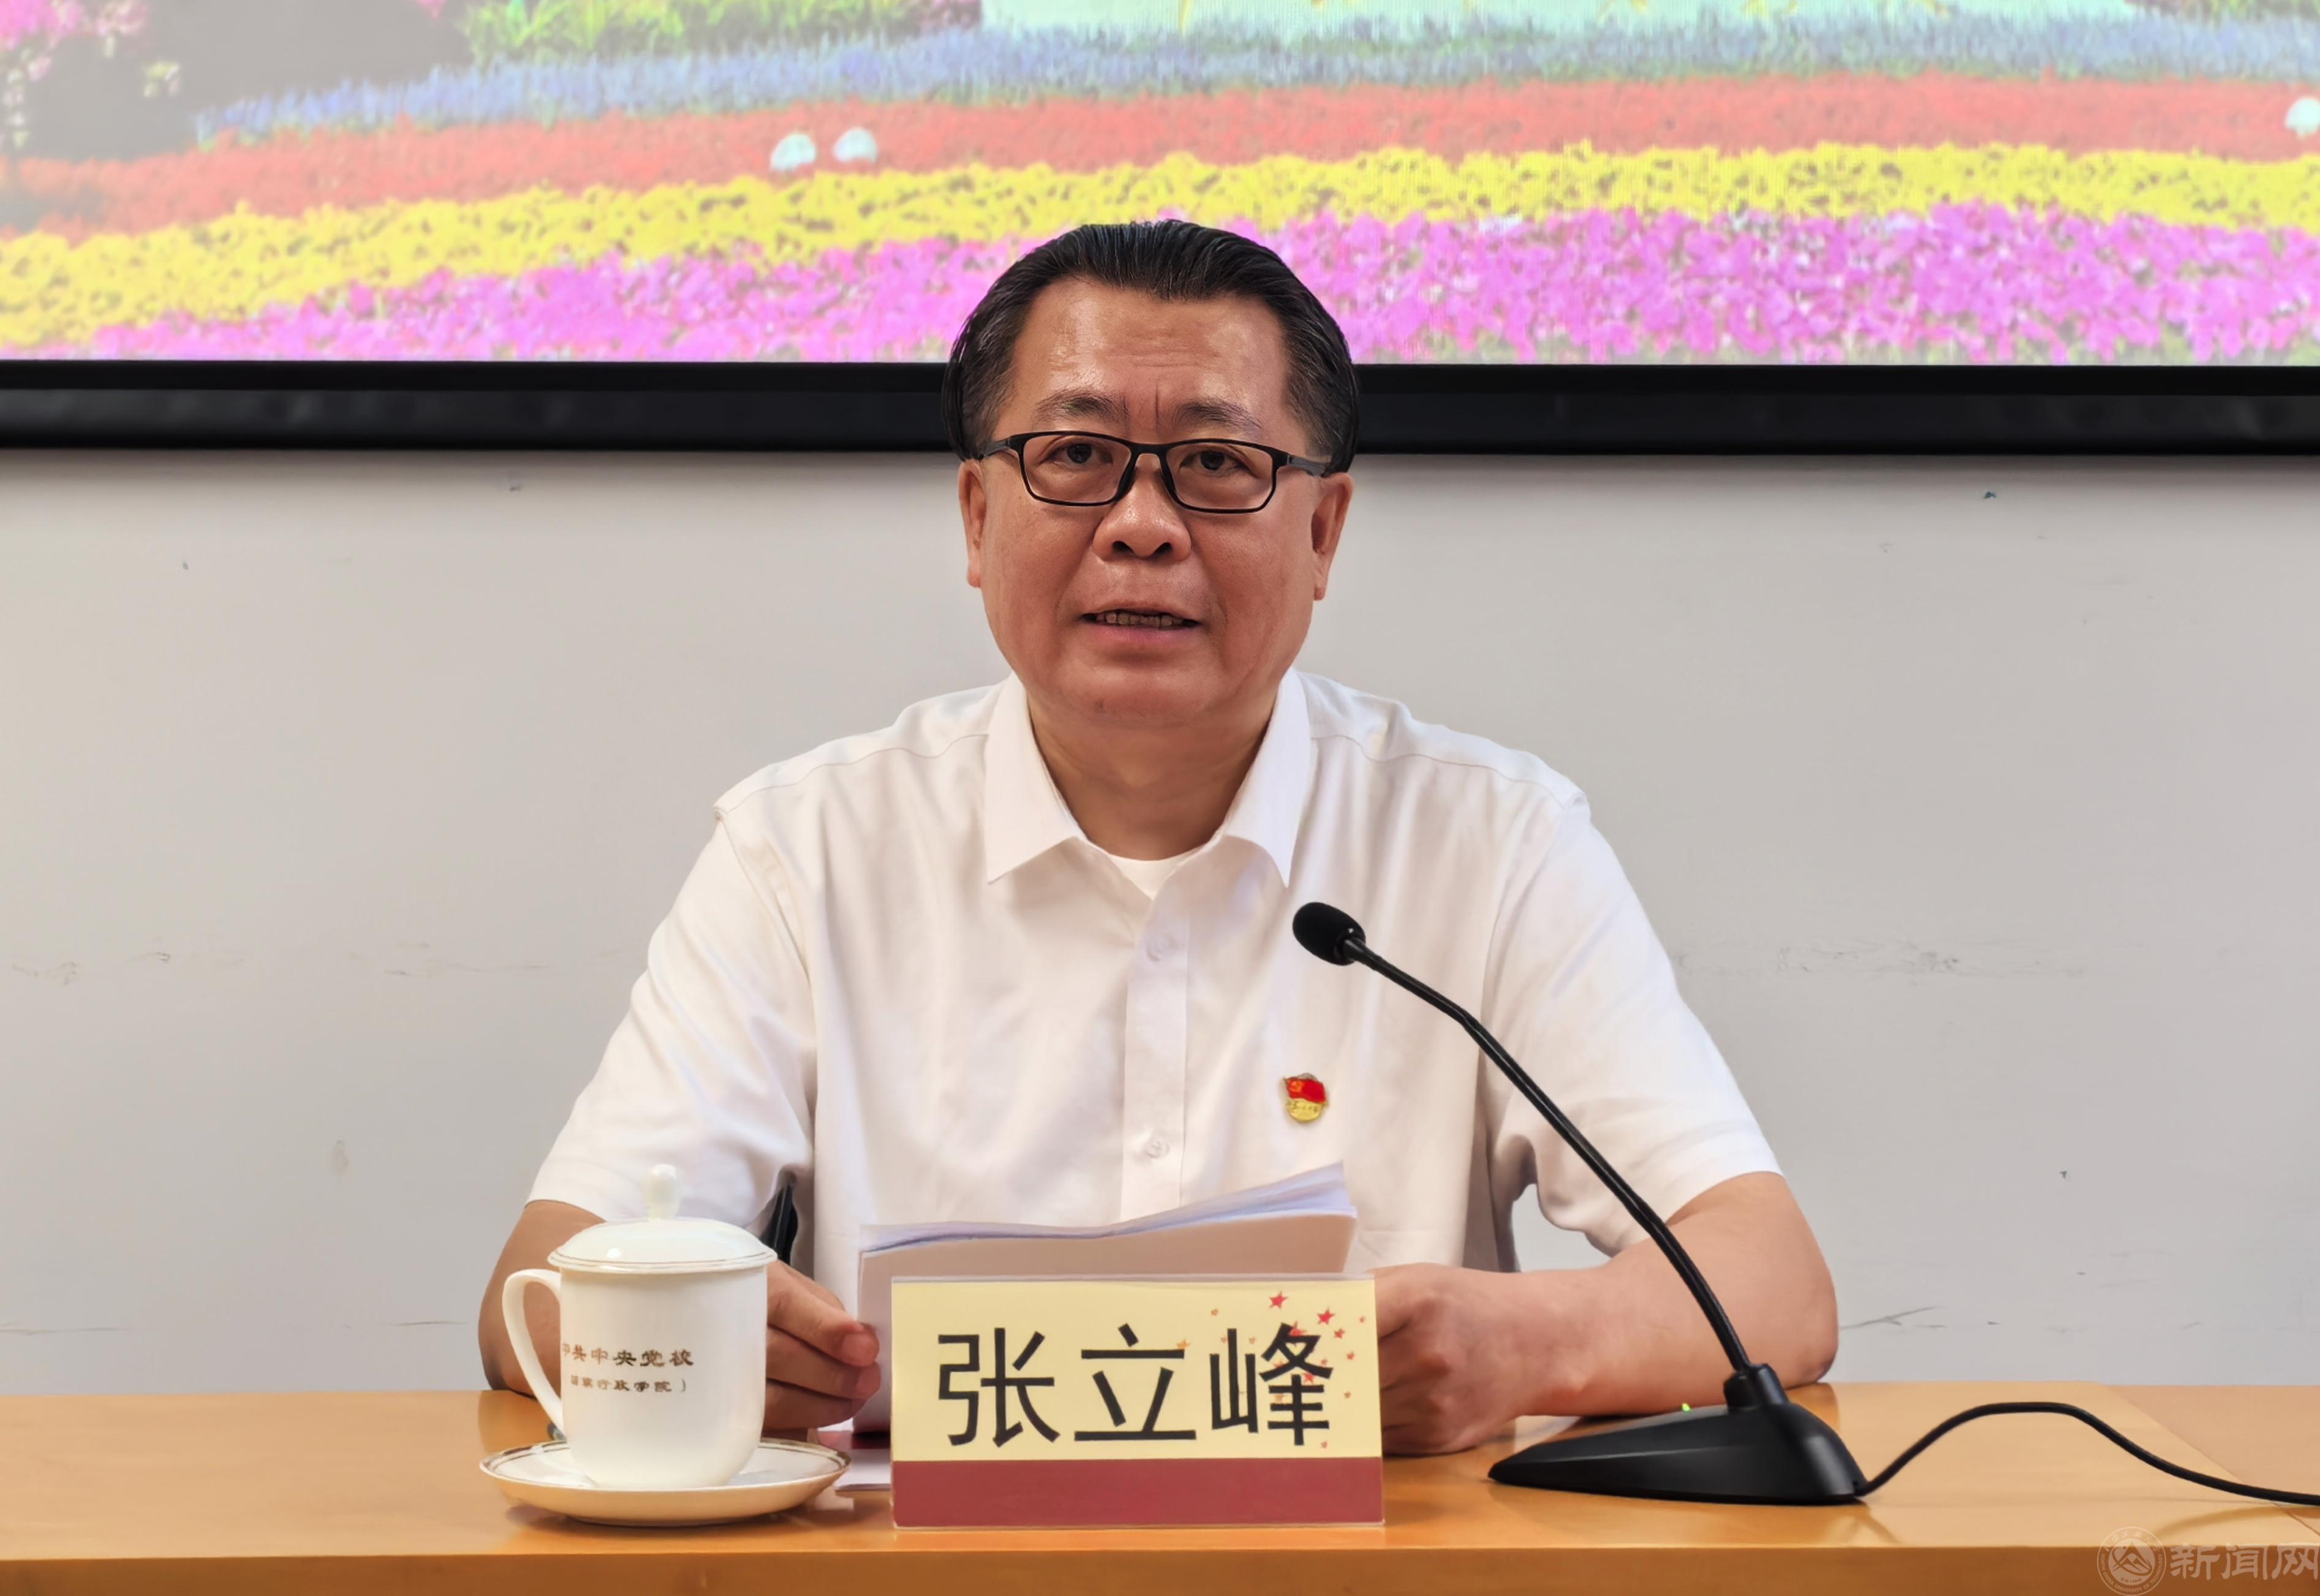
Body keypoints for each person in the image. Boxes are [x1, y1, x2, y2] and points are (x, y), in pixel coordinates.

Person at [479, 220, 1837, 1455]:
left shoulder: (1491, 842)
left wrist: (1523, 1345)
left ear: (1324, 531)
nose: (1140, 526)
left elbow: (1772, 1283)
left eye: (1216, 465)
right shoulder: (809, 848)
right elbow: (535, 1293)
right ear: (976, 516)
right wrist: (694, 1339)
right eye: (1074, 457)